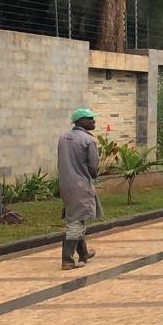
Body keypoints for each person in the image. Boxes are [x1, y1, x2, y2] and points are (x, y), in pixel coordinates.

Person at [56, 107, 102, 270]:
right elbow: (93, 169)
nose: (93, 121)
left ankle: (83, 253)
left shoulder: (63, 137)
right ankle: (67, 260)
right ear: (81, 121)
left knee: (76, 216)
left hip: (66, 185)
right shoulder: (88, 141)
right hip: (81, 186)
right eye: (90, 118)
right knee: (76, 221)